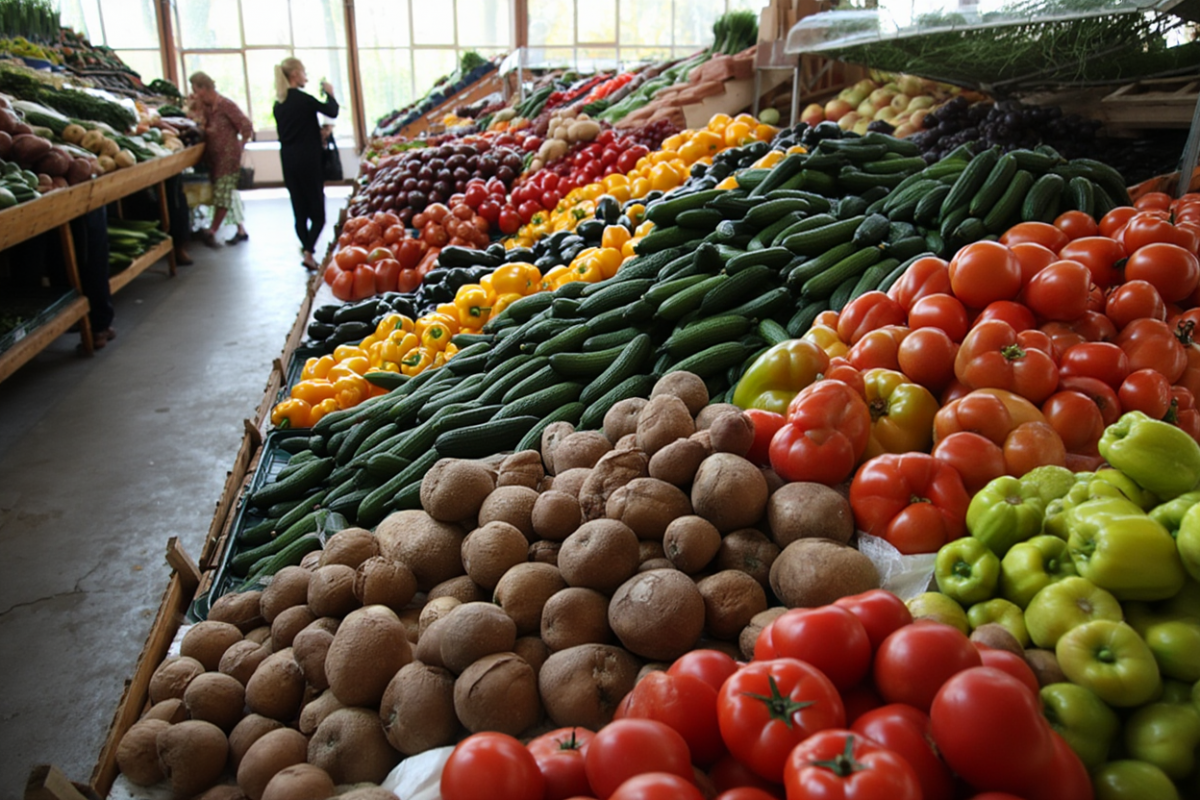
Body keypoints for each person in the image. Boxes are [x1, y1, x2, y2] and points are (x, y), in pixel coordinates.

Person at [273, 57, 338, 270]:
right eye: (303, 72)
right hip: (309, 160)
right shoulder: (303, 99)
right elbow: (331, 111)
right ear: (294, 75)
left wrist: (314, 133)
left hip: (289, 160)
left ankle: (306, 250)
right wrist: (329, 92)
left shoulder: (279, 104)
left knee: (299, 209)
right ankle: (309, 252)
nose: (305, 76)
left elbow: (292, 132)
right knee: (318, 213)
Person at [187, 71, 253, 247]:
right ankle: (240, 229)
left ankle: (212, 231)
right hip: (214, 159)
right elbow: (195, 121)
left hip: (228, 158)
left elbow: (245, 125)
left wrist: (241, 145)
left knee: (223, 194)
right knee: (225, 194)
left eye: (196, 89)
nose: (195, 94)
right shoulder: (207, 108)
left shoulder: (226, 106)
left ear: (206, 88)